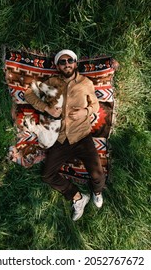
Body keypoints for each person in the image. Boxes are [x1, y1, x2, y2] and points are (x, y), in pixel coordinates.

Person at [24, 49, 106, 221]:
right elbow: (28, 94)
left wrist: (86, 112)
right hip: (60, 139)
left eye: (70, 60)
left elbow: (96, 105)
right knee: (47, 175)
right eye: (63, 61)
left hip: (82, 136)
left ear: (76, 63)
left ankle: (96, 192)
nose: (67, 64)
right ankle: (78, 197)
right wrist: (47, 108)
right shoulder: (52, 83)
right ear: (57, 65)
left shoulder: (85, 83)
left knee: (98, 175)